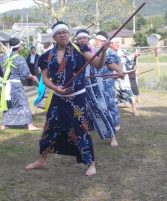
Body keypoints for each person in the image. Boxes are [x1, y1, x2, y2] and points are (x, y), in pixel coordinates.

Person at [25, 21, 110, 176]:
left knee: (80, 128)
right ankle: (42, 159)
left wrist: (103, 51)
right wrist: (55, 88)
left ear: (69, 33)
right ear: (54, 37)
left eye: (65, 32)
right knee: (49, 128)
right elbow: (45, 78)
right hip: (58, 99)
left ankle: (91, 163)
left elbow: (98, 64)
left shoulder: (80, 49)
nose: (62, 35)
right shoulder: (46, 56)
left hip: (76, 99)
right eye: (59, 33)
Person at [0, 37, 40, 131]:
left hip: (6, 85)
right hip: (16, 85)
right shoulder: (19, 58)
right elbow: (25, 74)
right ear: (19, 47)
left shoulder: (4, 58)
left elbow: (2, 70)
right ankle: (30, 125)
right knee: (23, 103)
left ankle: (4, 125)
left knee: (8, 104)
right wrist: (33, 77)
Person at [110, 38, 138, 116]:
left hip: (123, 76)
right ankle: (115, 112)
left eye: (118, 43)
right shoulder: (108, 53)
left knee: (129, 92)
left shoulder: (122, 52)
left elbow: (130, 58)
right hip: (113, 76)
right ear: (111, 44)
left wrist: (135, 56)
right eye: (116, 43)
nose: (118, 45)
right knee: (114, 95)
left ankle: (134, 110)